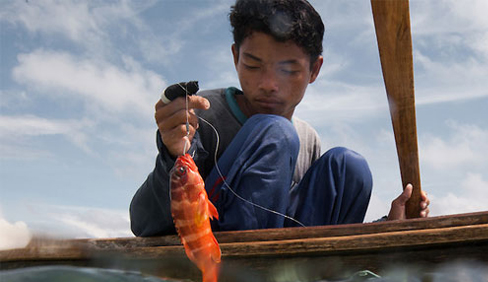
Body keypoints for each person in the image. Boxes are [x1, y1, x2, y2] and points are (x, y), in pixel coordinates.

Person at [130, 0, 429, 237]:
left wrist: (388, 224)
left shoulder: (307, 138)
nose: (269, 84)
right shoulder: (202, 116)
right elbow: (142, 223)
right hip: (220, 259)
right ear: (236, 57)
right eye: (253, 64)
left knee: (349, 167)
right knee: (276, 131)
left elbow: (301, 221)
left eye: (288, 69)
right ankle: (246, 277)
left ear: (314, 71)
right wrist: (172, 153)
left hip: (286, 269)